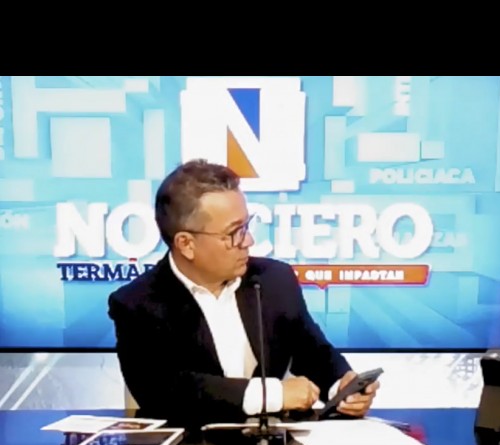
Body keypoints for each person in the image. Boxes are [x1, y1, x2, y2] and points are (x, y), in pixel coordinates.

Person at [107, 159, 379, 430]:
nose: (248, 241)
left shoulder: (274, 279)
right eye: (234, 233)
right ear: (186, 244)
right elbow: (163, 391)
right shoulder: (137, 305)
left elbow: (311, 352)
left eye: (246, 227)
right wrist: (271, 395)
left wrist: (342, 386)